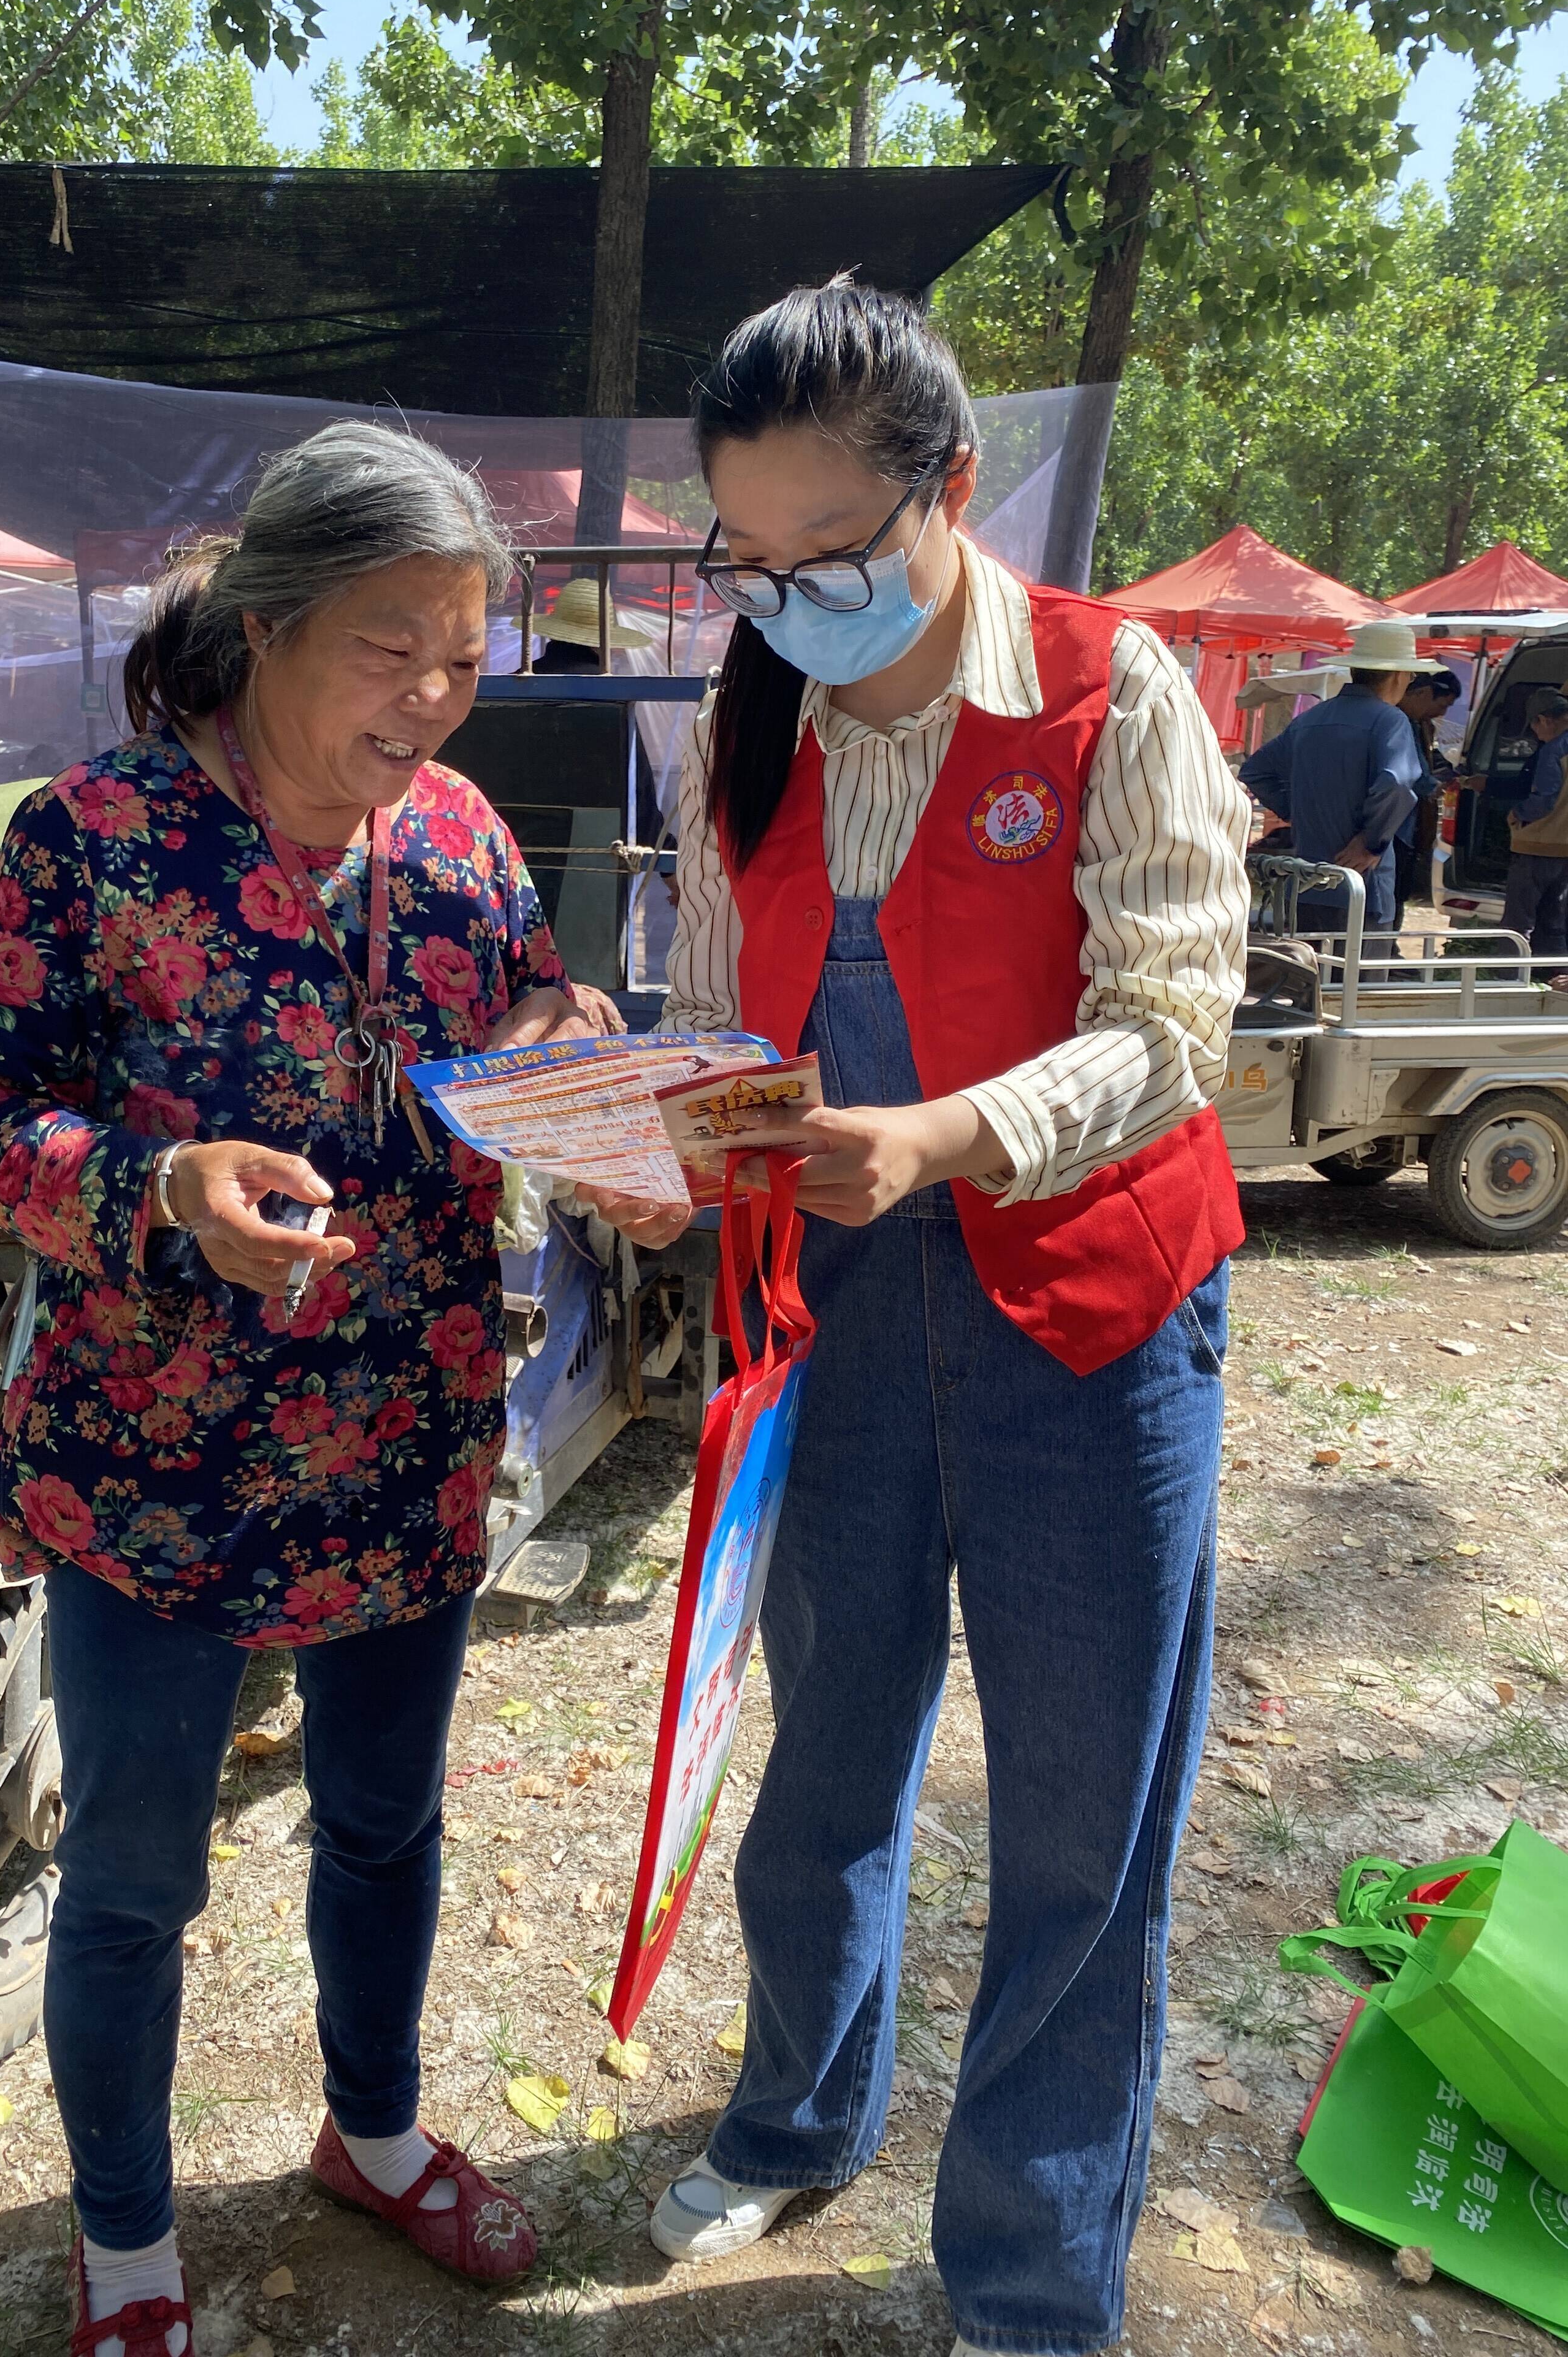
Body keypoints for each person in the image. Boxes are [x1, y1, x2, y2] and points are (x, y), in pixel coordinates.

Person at [591, 278, 1250, 2357]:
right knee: (822, 1750)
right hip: (838, 1317)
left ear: (953, 492)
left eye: (836, 559)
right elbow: (715, 1007)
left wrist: (955, 1131)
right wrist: (650, 1125)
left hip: (1093, 1324)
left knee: (1081, 1821)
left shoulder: (1106, 689)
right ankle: (796, 2112)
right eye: (749, 563)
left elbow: (1173, 1024)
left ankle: (1034, 2273)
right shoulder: (746, 722)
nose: (787, 603)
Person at [0, 424, 595, 2357]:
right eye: (391, 647)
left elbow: (528, 1005)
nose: (432, 697)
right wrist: (154, 1188)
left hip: (411, 1442)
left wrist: (570, 1035)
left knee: (387, 1826)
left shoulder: (462, 836)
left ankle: (370, 2137)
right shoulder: (96, 839)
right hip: (159, 1463)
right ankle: (129, 2247)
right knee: (134, 1877)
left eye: (463, 656)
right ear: (266, 626)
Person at [1238, 621, 1432, 938]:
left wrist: (1298, 812)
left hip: (1306, 882)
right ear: (1398, 675)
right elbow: (1396, 782)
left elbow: (1256, 771)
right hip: (1362, 887)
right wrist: (1371, 841)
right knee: (1358, 983)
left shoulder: (1311, 719)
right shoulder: (1390, 720)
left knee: (1307, 979)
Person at [1393, 664, 1463, 927]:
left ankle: (1388, 947)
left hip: (1408, 824)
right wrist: (1434, 787)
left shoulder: (1420, 725)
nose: (1441, 713)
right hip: (1394, 824)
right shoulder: (1399, 723)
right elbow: (1410, 774)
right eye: (1442, 705)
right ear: (1424, 694)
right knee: (1391, 891)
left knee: (1398, 890)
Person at [1502, 688, 1568, 958]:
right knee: (1555, 925)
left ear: (1545, 720)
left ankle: (1509, 982)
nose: (1535, 734)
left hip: (1537, 847)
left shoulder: (1553, 750)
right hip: (1565, 850)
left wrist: (1517, 814)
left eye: (1534, 726)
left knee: (1518, 925)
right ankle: (1553, 979)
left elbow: (1544, 801)